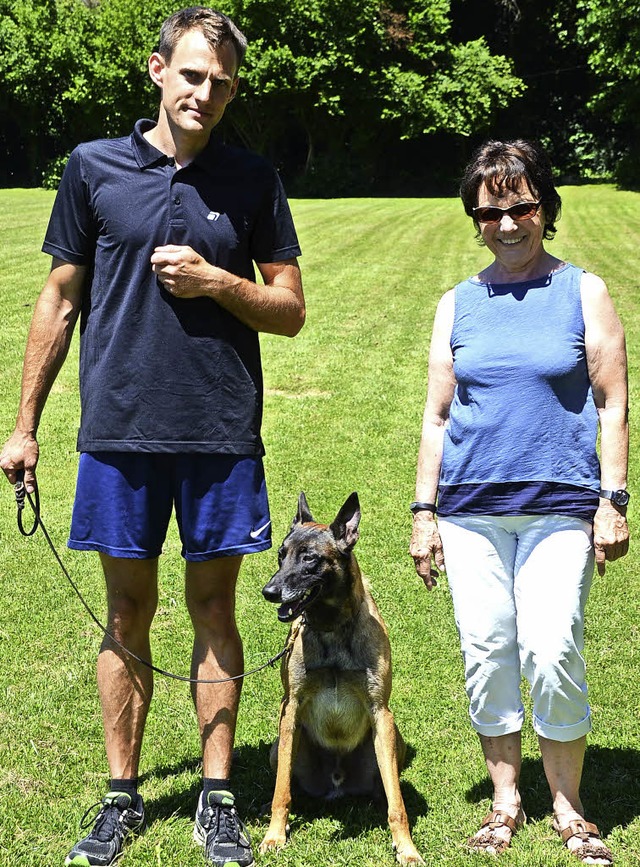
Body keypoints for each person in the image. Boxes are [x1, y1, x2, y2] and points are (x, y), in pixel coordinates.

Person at [0, 7, 305, 867]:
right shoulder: (92, 169)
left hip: (218, 436)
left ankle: (215, 800)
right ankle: (121, 798)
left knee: (214, 609)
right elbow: (59, 302)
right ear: (157, 70)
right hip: (119, 435)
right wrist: (23, 426)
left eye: (223, 82)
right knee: (127, 611)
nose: (206, 93)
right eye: (193, 75)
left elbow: (290, 310)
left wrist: (217, 281)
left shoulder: (252, 179)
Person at [410, 139, 628, 866]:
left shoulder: (582, 290)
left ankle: (568, 804)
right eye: (490, 211)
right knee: (487, 648)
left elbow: (612, 401)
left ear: (545, 207)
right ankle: (505, 799)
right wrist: (423, 512)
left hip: (560, 503)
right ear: (474, 216)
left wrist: (613, 497)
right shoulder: (457, 303)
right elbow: (437, 416)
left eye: (522, 207)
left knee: (552, 643)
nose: (507, 224)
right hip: (468, 508)